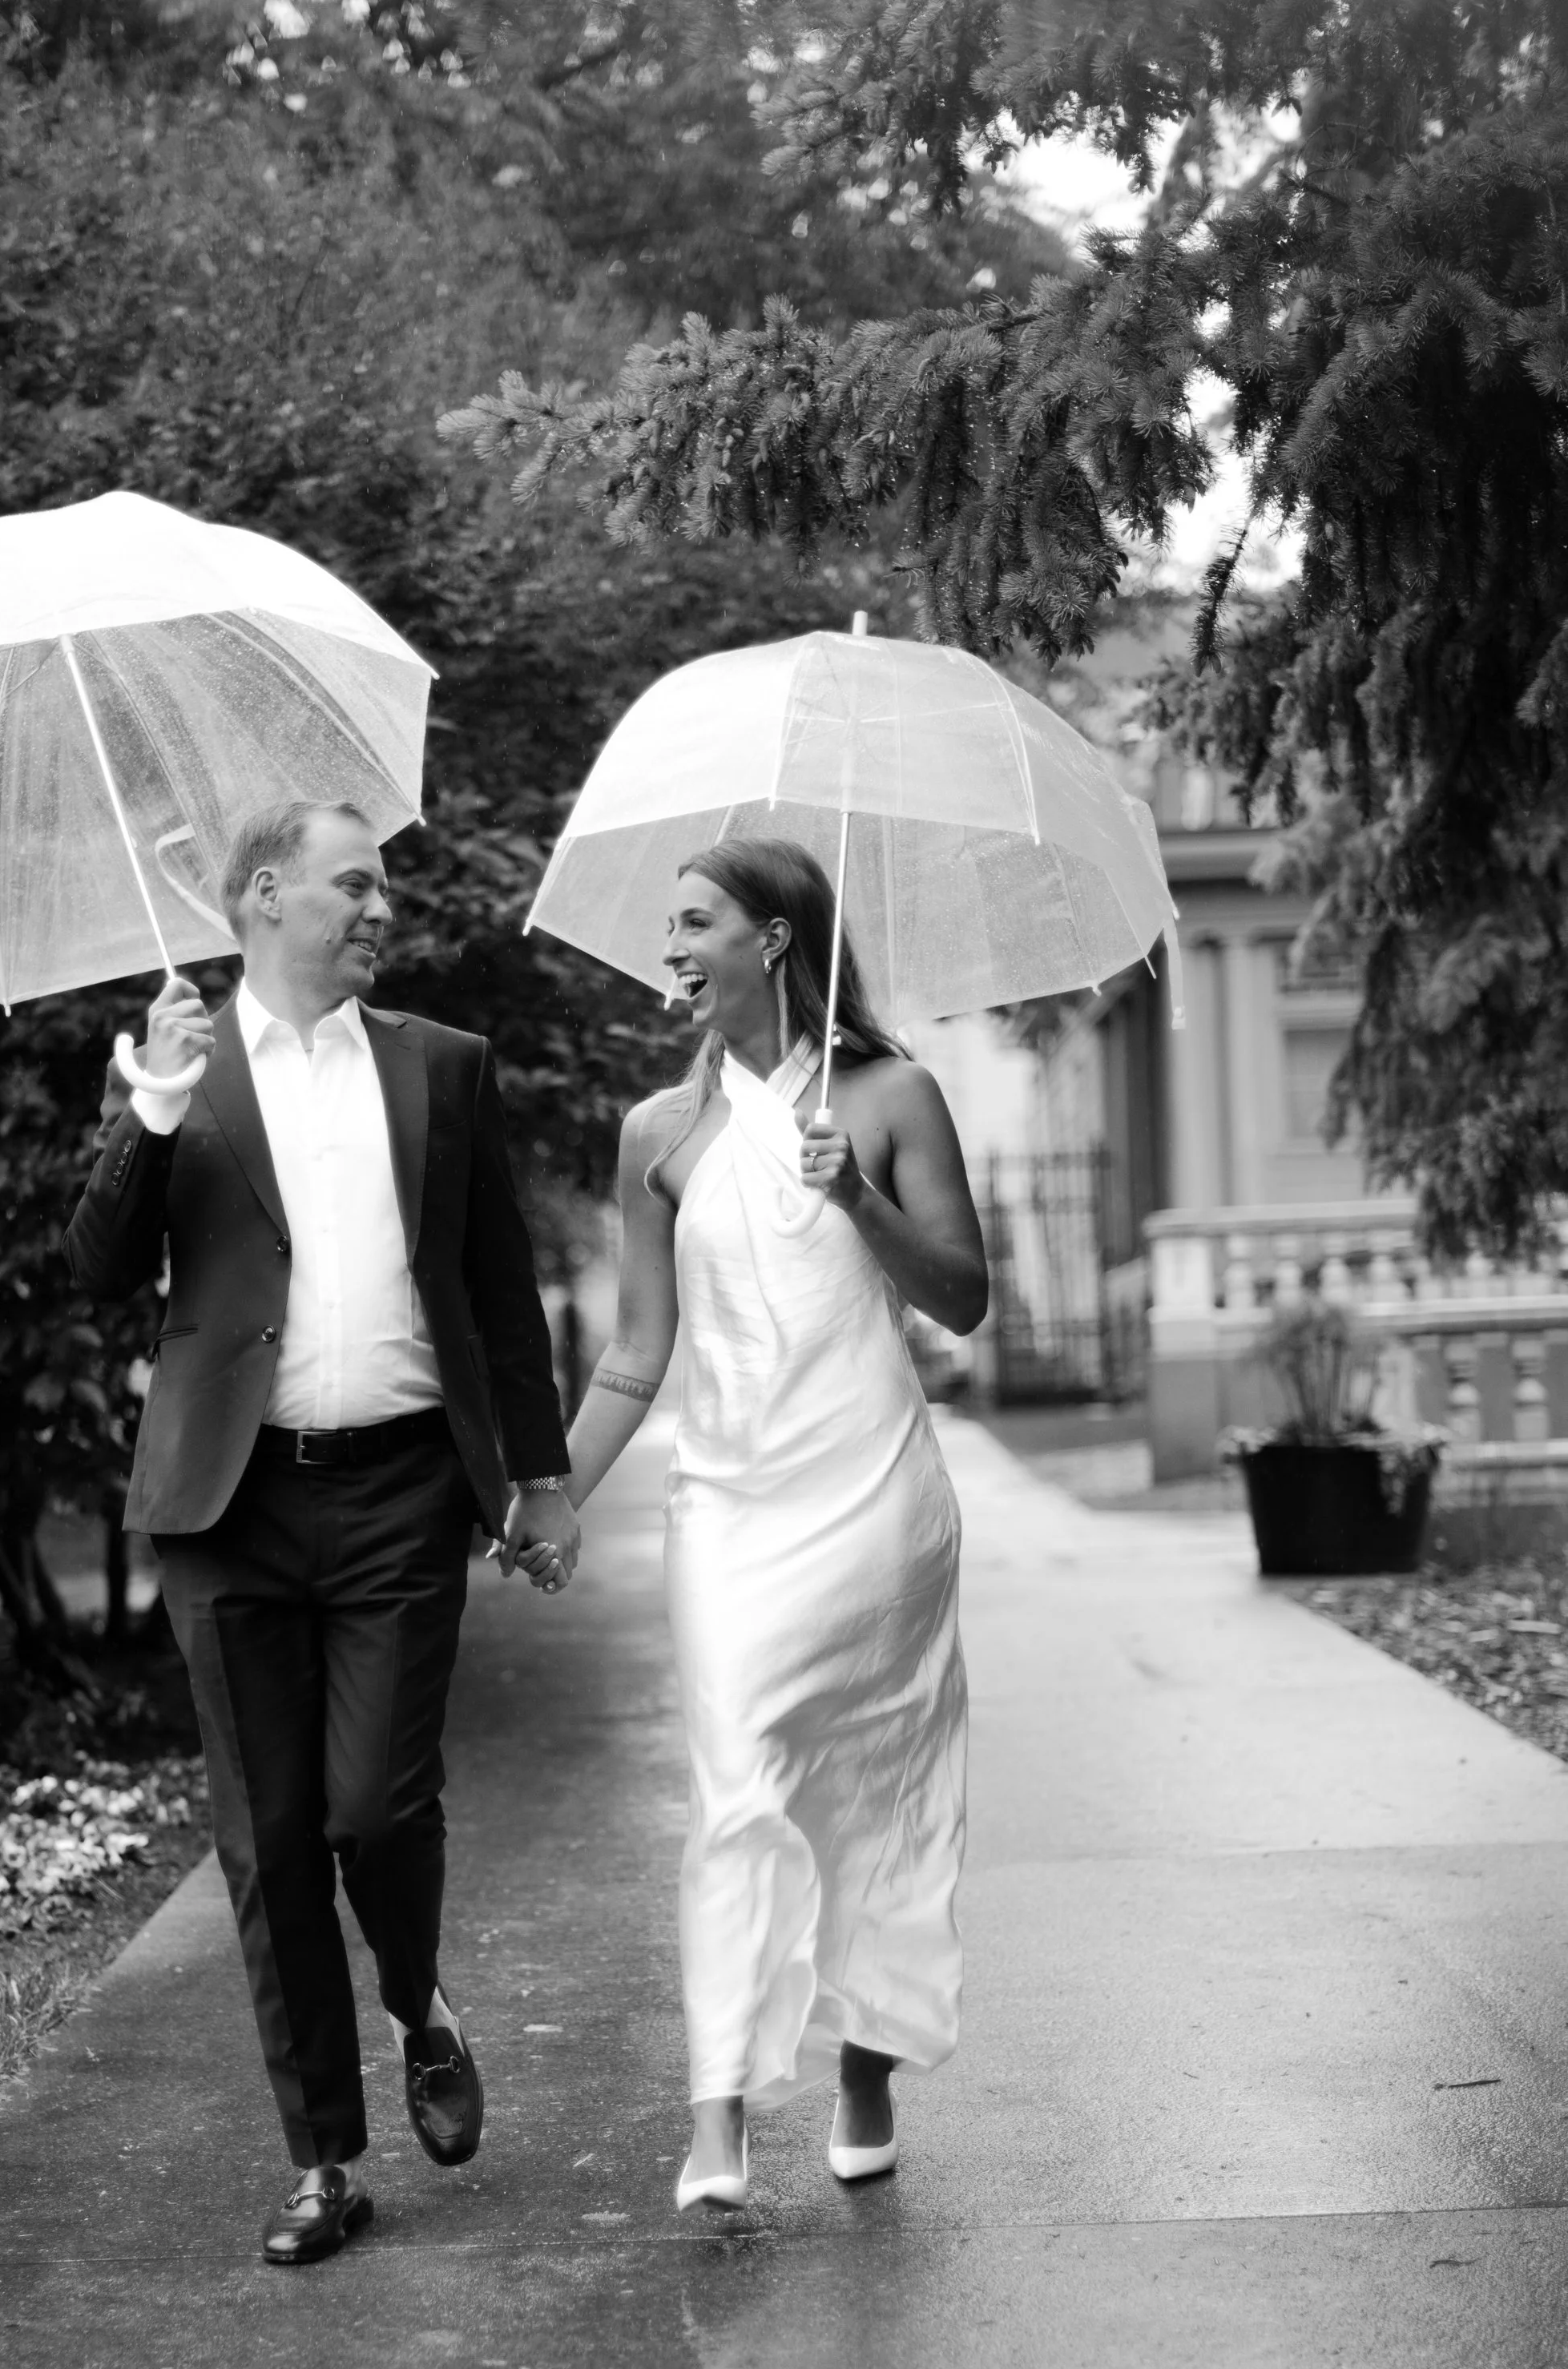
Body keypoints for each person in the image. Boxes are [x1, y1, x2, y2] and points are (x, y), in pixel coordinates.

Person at [66, 800, 578, 2268]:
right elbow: (95, 1269)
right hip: (227, 1510)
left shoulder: (441, 1067)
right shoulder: (181, 1067)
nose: (380, 906)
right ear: (267, 895)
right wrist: (147, 1108)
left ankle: (418, 2002)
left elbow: (498, 1287)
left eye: (383, 885)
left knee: (374, 1810)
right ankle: (324, 2160)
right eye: (355, 883)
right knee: (269, 1836)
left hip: (402, 1494)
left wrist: (534, 1475)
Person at [561, 837, 988, 2211]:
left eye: (694, 924)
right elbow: (636, 1353)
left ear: (776, 939)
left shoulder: (892, 1094)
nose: (670, 949)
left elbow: (966, 1298)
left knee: (881, 1791)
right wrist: (549, 1490)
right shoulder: (657, 1137)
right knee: (735, 1786)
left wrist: (854, 1195)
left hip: (875, 1501)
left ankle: (865, 2070)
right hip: (729, 1513)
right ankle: (720, 2110)